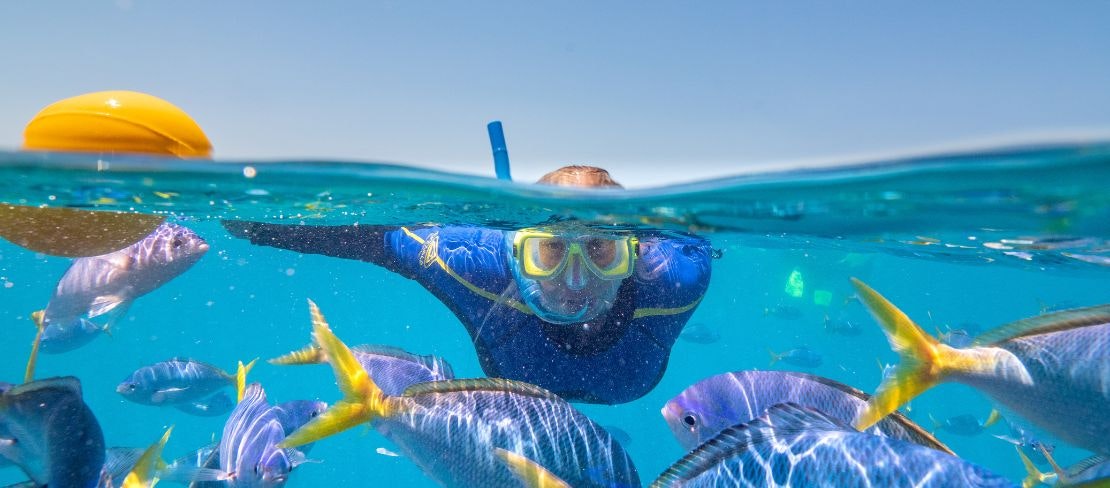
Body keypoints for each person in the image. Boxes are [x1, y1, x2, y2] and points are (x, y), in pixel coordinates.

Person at [224, 165, 713, 404]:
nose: (575, 279)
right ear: (517, 253)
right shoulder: (472, 265)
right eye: (550, 252)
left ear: (634, 254)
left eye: (601, 250)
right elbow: (374, 238)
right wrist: (260, 227)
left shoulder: (677, 277)